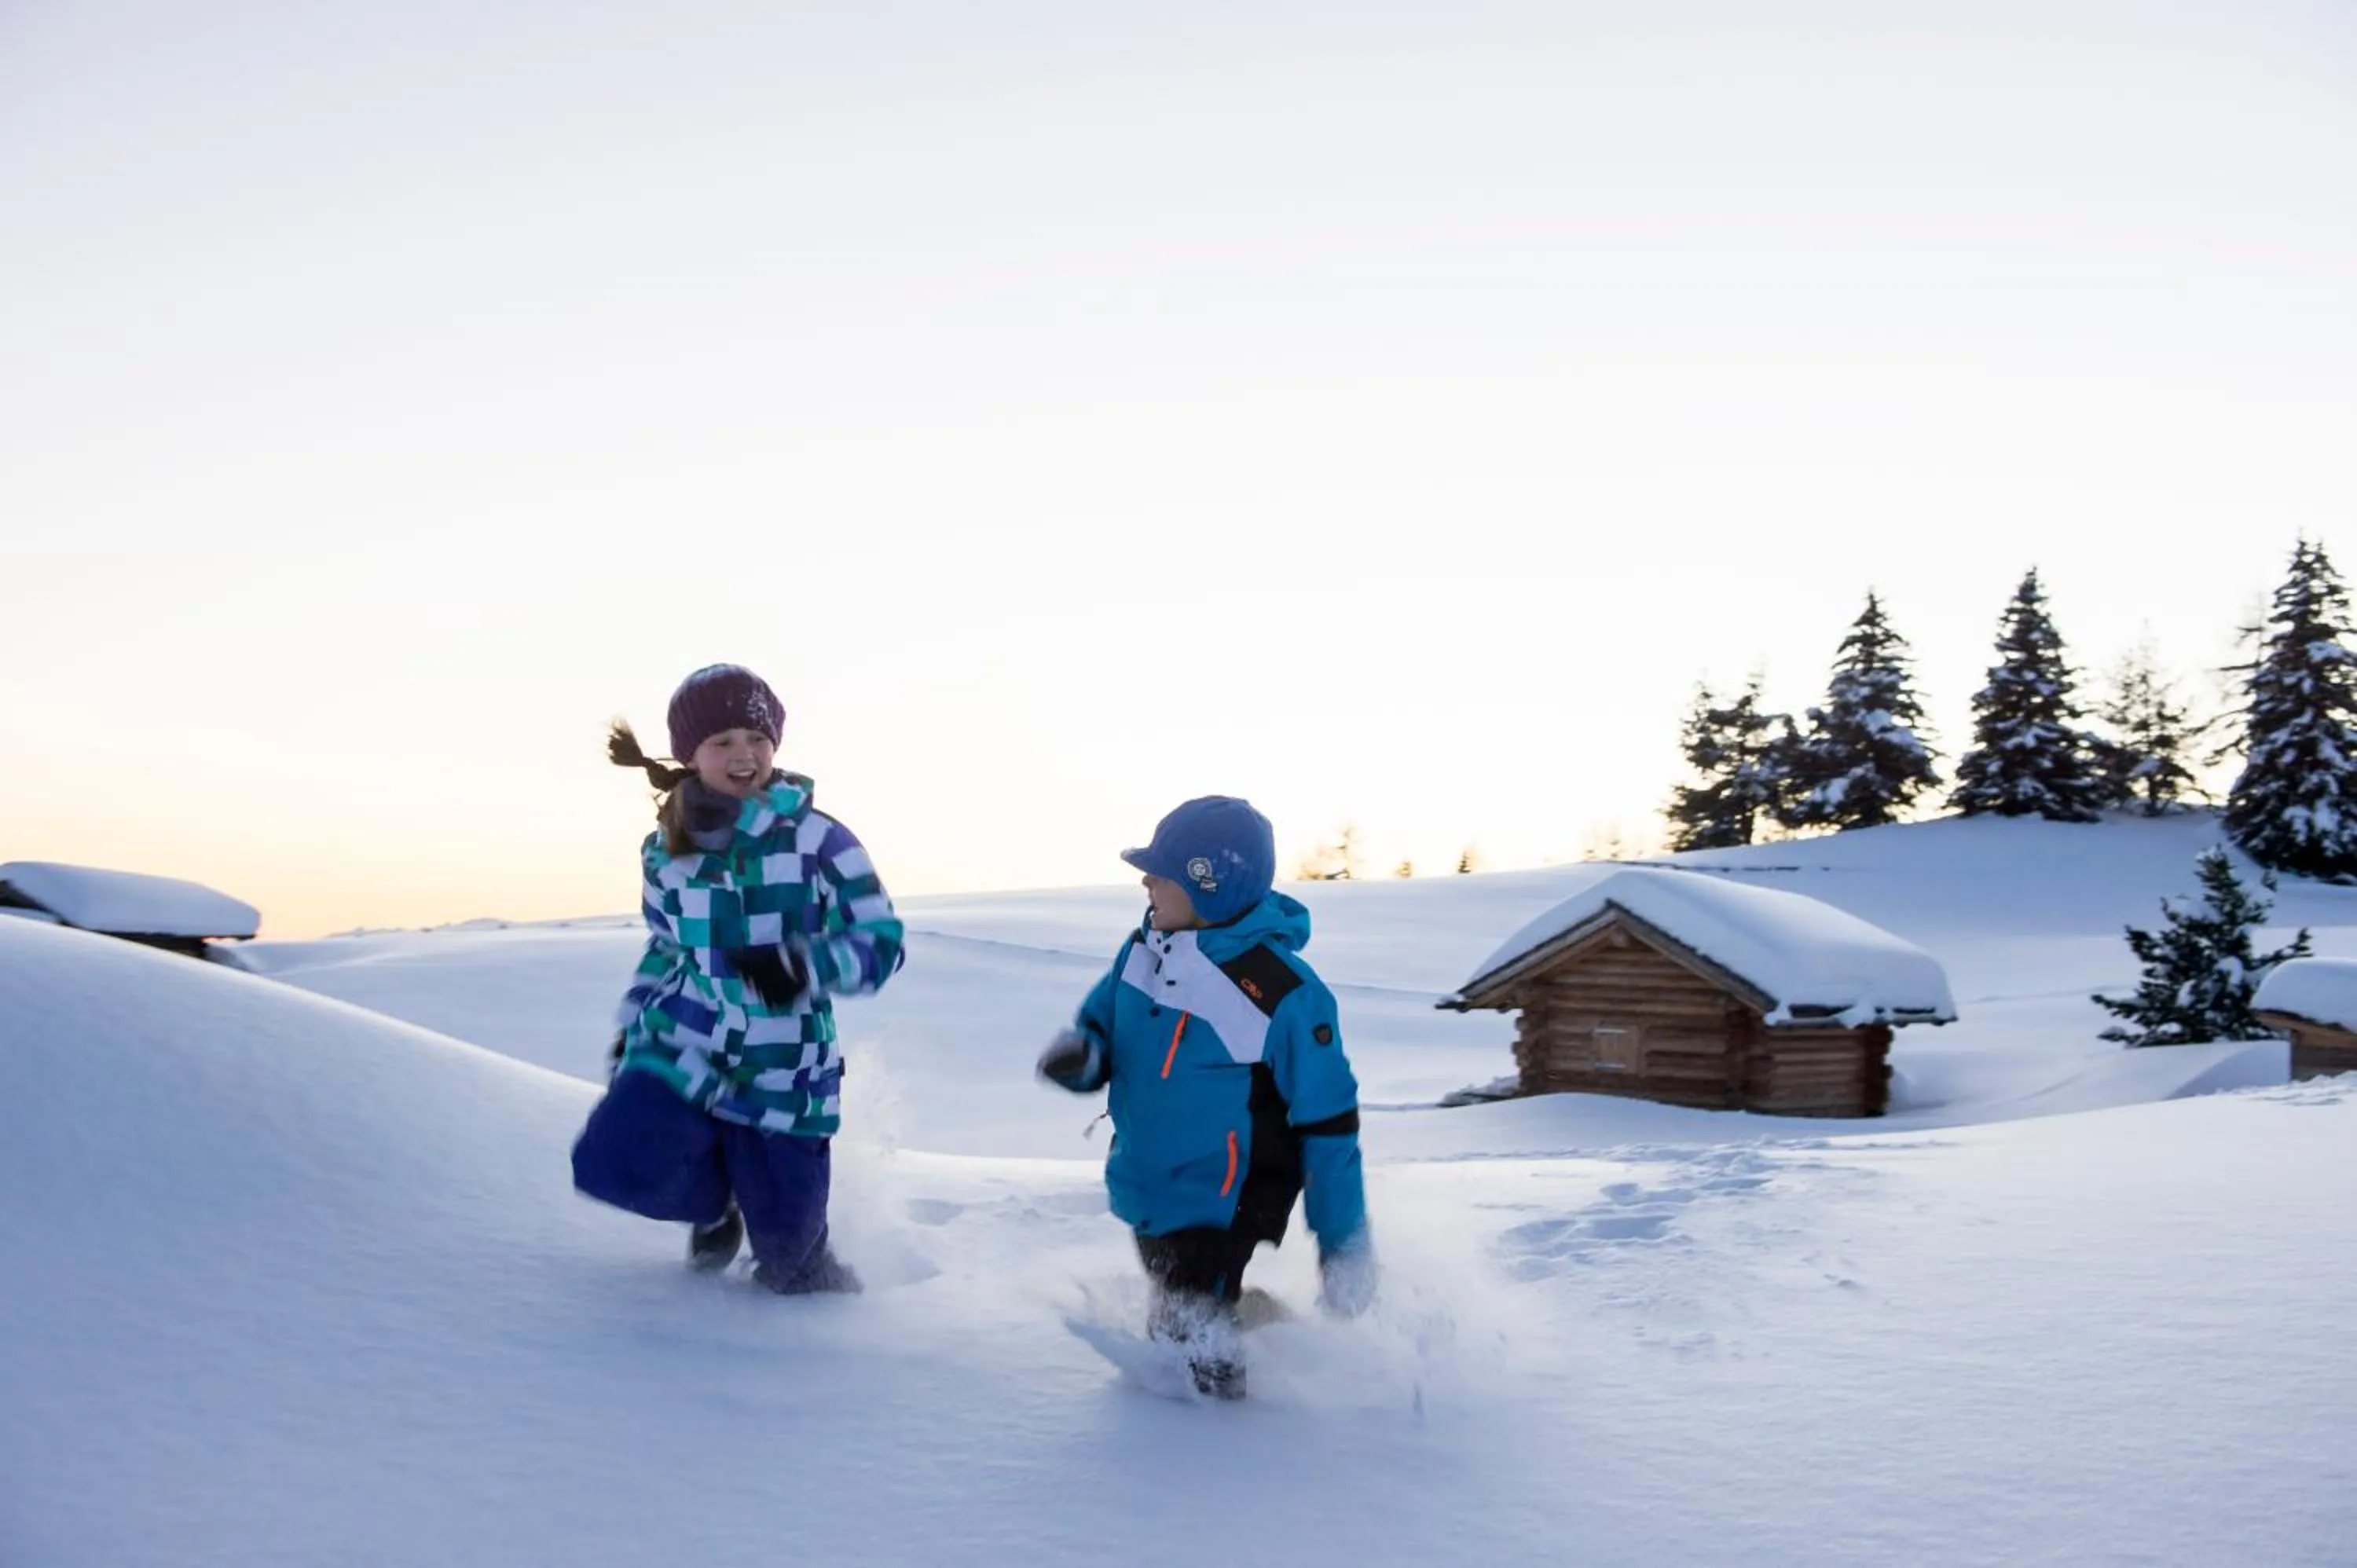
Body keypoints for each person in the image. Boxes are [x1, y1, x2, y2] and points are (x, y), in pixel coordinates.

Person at [572, 663, 904, 1294]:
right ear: (690, 755)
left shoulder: (820, 841)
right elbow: (667, 945)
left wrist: (801, 967)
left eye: (756, 739)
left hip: (783, 1072)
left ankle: (834, 1327)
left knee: (789, 1266)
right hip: (684, 1045)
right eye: (722, 742)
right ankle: (715, 1204)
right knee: (613, 1158)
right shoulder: (664, 849)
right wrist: (634, 1020)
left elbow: (880, 943)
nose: (743, 755)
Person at [1039, 795, 1374, 1397]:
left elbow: (1331, 1124)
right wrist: (1083, 1058)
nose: (1145, 880)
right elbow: (1102, 1027)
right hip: (1150, 1182)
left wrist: (1343, 1245)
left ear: (1208, 885)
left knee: (1191, 1344)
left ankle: (1223, 1451)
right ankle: (1259, 1326)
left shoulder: (1281, 993)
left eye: (1161, 871)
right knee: (1182, 1307)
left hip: (1226, 1197)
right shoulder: (1143, 949)